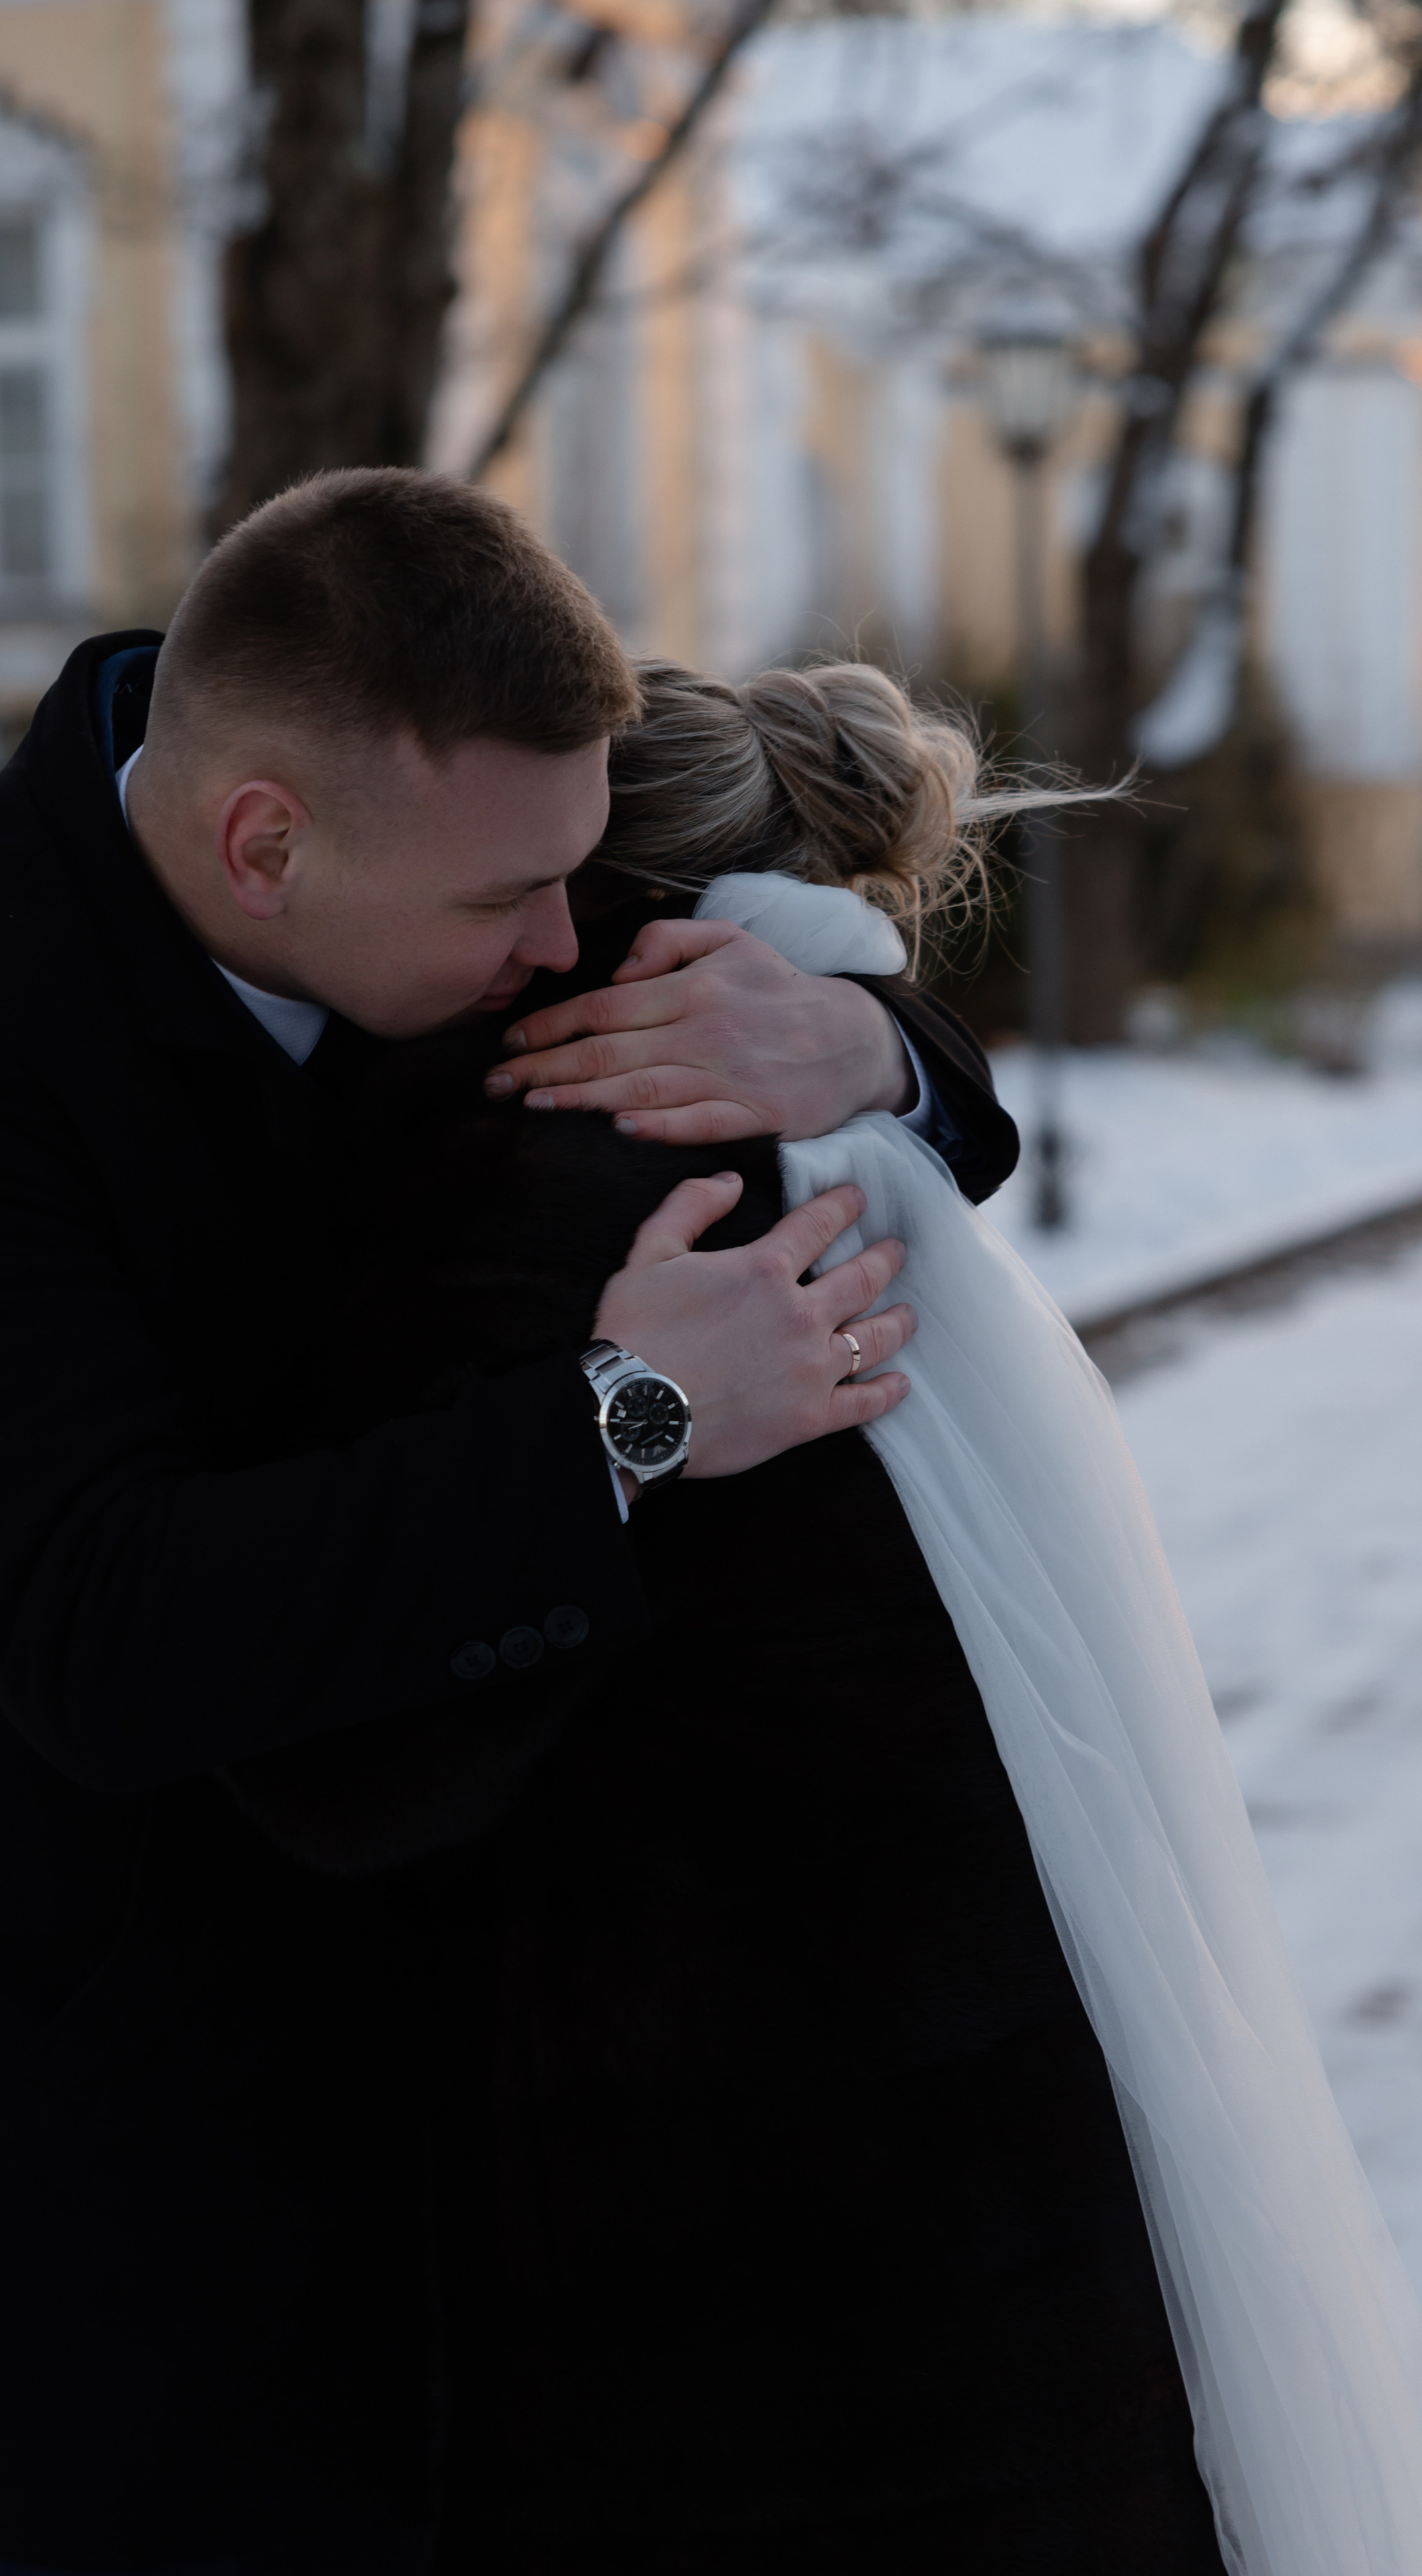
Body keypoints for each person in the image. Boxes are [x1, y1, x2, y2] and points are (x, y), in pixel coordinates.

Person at [282, 655, 1422, 2576]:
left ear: (597, 897)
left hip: (712, 2238)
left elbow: (355, 1743)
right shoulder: (815, 1125)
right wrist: (891, 1046)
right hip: (979, 2166)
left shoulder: (540, 1171)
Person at [0, 472, 1020, 2575]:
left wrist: (864, 1036)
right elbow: (103, 1631)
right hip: (132, 2195)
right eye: (515, 906)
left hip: (499, 2179)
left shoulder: (426, 803)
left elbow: (732, 960)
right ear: (261, 848)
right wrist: (628, 1418)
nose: (565, 946)